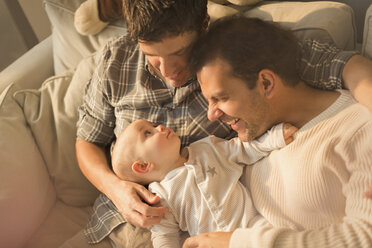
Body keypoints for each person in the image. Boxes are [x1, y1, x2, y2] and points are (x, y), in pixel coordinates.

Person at [71, 0, 372, 247]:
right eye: (152, 56)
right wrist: (116, 188)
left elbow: (344, 65)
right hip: (114, 219)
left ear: (202, 27)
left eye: (178, 53)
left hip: (196, 228)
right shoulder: (115, 59)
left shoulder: (233, 53)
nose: (169, 71)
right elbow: (87, 139)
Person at [183, 16, 372, 248]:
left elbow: (365, 237)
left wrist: (238, 243)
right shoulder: (257, 129)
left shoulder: (360, 129)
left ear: (266, 84)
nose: (211, 115)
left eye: (221, 98)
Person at [110, 119, 296, 247]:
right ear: (143, 166)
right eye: (148, 133)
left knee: (277, 239)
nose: (160, 126)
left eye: (153, 125)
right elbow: (164, 234)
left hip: (252, 227)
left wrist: (275, 137)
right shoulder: (160, 196)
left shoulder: (207, 148)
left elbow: (244, 148)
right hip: (212, 243)